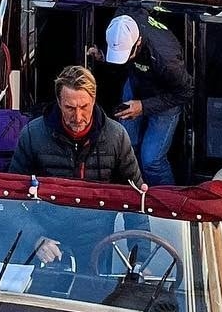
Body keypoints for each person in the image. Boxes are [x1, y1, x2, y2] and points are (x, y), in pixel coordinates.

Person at [10, 65, 142, 267]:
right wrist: (35, 238)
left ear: (94, 100)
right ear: (59, 102)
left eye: (84, 107)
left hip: (98, 245)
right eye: (70, 108)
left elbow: (136, 201)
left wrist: (140, 259)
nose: (78, 117)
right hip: (46, 245)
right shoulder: (32, 135)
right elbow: (10, 200)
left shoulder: (116, 137)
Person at [92, 9, 191, 187]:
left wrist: (143, 106)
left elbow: (185, 91)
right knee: (126, 149)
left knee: (151, 161)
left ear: (138, 43)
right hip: (136, 83)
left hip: (166, 96)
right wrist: (103, 55)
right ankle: (129, 192)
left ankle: (167, 202)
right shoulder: (119, 23)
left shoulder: (166, 59)